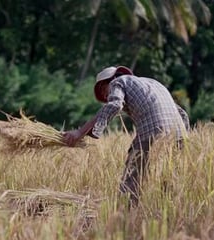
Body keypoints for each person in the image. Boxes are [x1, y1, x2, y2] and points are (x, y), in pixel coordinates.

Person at [63, 66, 189, 206]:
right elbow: (182, 113)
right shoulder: (153, 83)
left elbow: (115, 104)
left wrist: (80, 132)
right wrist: (183, 138)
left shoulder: (117, 83)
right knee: (169, 179)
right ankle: (169, 212)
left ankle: (125, 216)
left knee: (132, 177)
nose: (105, 97)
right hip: (178, 133)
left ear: (106, 83)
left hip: (153, 130)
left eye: (103, 92)